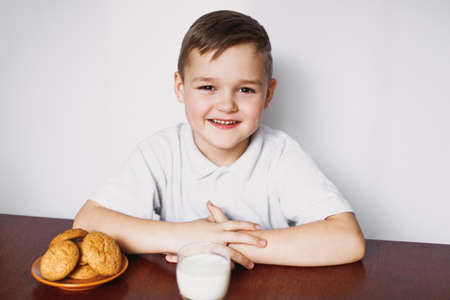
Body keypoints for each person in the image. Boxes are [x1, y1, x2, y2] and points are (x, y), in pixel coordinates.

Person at [73, 10, 365, 269]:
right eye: (208, 87)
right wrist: (187, 237)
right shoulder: (160, 153)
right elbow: (88, 222)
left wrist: (222, 244)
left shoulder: (280, 155)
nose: (226, 105)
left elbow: (347, 240)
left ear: (269, 93)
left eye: (246, 90)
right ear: (180, 87)